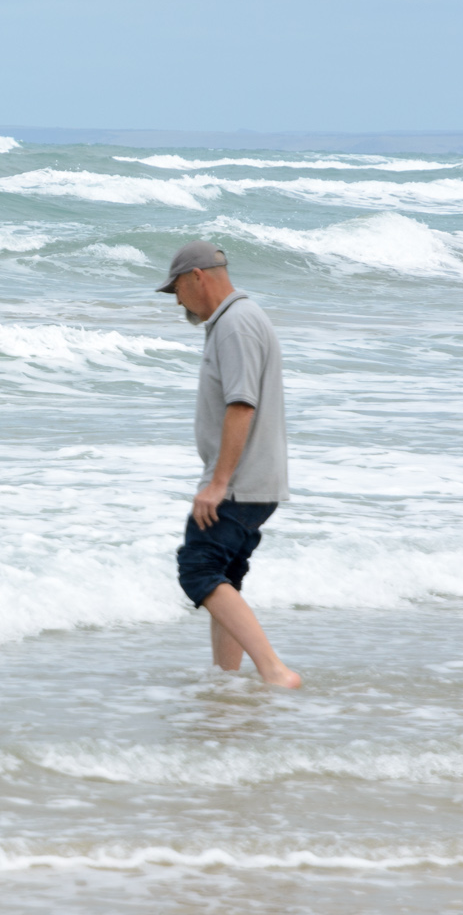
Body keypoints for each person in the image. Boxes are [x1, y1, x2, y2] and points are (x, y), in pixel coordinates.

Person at [156, 240, 302, 688]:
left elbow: (242, 405)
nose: (177, 300)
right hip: (256, 480)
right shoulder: (241, 318)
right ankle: (225, 681)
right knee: (225, 580)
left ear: (196, 277)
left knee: (198, 569)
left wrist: (218, 482)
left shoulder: (235, 324)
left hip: (239, 483)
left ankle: (275, 672)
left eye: (176, 289)